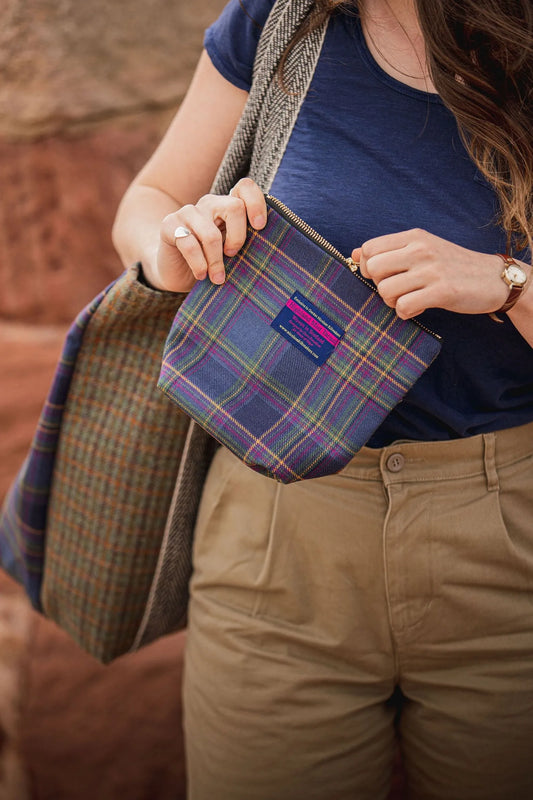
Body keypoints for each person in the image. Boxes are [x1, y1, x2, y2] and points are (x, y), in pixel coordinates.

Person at [112, 0, 533, 797]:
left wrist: (507, 283)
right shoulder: (278, 21)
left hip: (507, 545)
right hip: (275, 535)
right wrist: (177, 248)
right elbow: (151, 198)